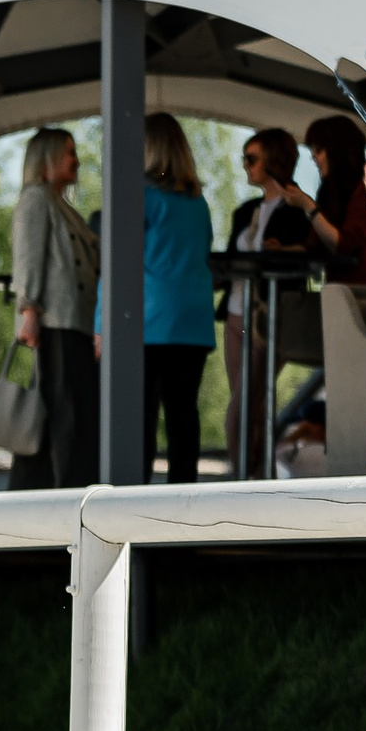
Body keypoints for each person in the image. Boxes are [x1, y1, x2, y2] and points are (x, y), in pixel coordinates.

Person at [7, 126, 101, 490]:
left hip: (73, 323)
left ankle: (28, 496)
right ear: (46, 159)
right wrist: (29, 312)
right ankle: (68, 496)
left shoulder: (63, 206)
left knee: (56, 417)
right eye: (68, 152)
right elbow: (28, 260)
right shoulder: (36, 199)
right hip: (55, 323)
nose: (76, 161)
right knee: (66, 417)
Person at [129, 113, 217, 484]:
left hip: (152, 320)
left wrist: (102, 323)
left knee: (140, 420)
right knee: (183, 417)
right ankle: (185, 508)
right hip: (195, 321)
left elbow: (121, 263)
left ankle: (134, 503)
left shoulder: (142, 199)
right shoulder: (198, 203)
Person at [220, 128, 315, 472]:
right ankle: (258, 477)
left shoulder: (297, 209)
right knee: (249, 404)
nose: (246, 166)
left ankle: (244, 477)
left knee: (243, 407)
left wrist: (285, 251)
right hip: (235, 314)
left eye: (251, 158)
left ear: (273, 160)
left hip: (268, 315)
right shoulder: (245, 211)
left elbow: (307, 256)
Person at [288, 115, 366, 284]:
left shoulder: (365, 190)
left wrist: (309, 206)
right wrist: (283, 250)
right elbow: (316, 244)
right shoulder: (328, 193)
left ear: (336, 150)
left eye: (318, 150)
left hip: (363, 288)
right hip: (338, 288)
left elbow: (344, 245)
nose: (314, 158)